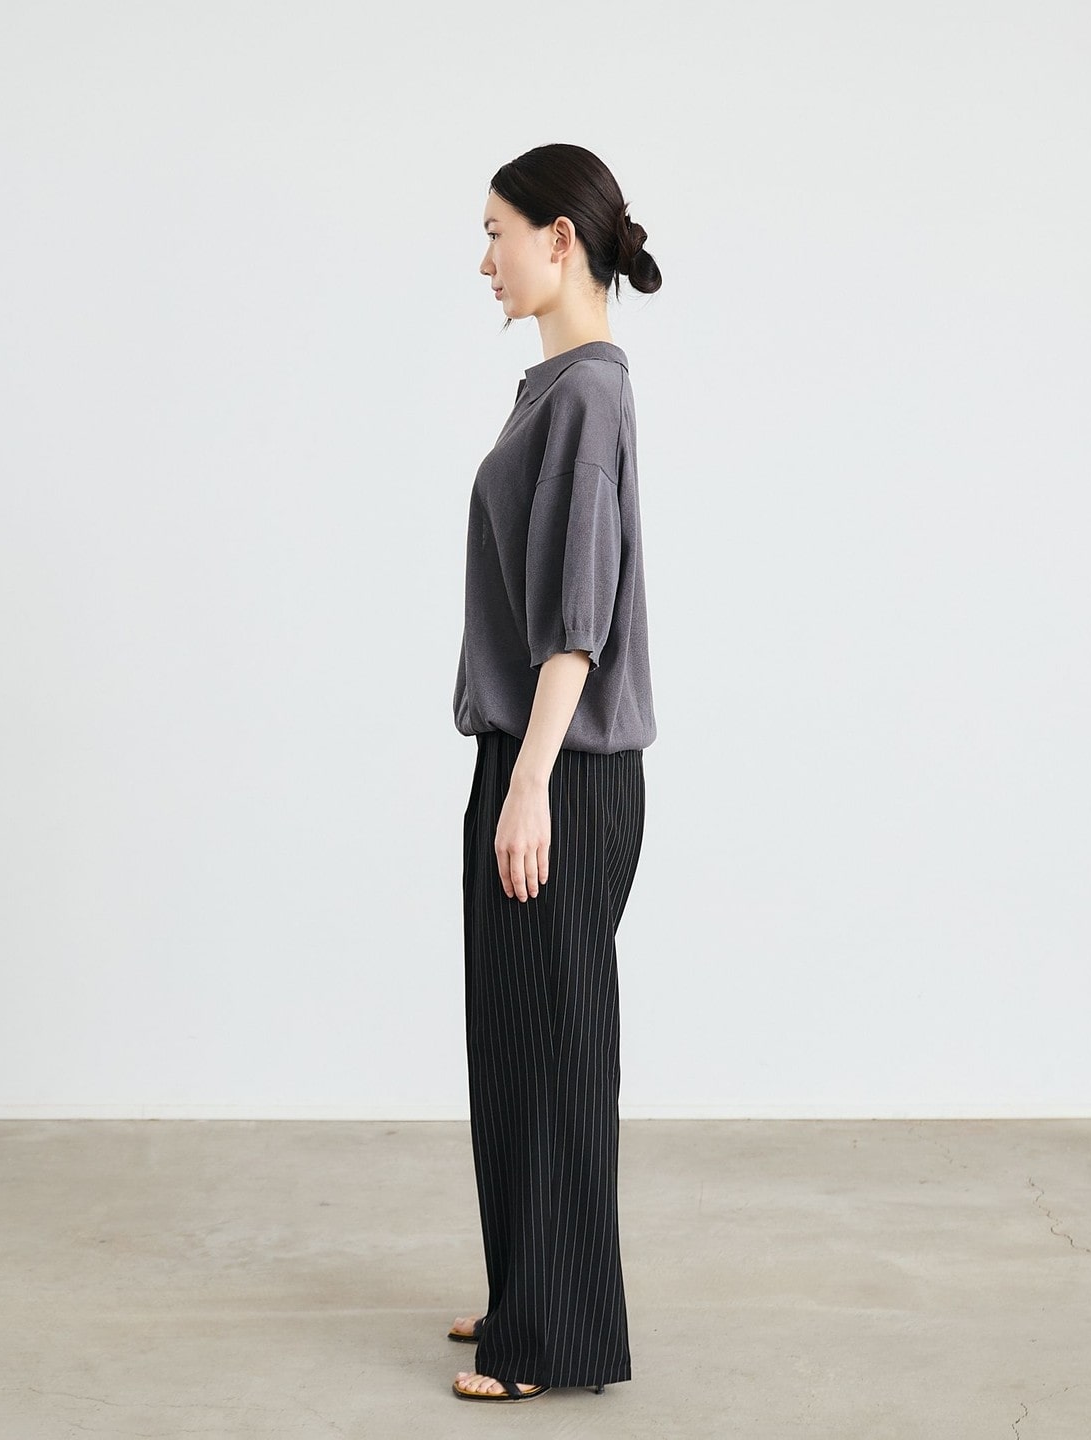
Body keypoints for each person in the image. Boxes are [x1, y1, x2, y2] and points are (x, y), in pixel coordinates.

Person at [447, 143, 661, 1404]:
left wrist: (529, 785)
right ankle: (526, 1292)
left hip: (561, 771)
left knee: (561, 1051)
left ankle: (556, 1340)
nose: (486, 259)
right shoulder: (556, 390)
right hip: (526, 758)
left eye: (497, 232)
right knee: (515, 1042)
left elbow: (576, 623)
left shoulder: (587, 397)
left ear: (559, 239)